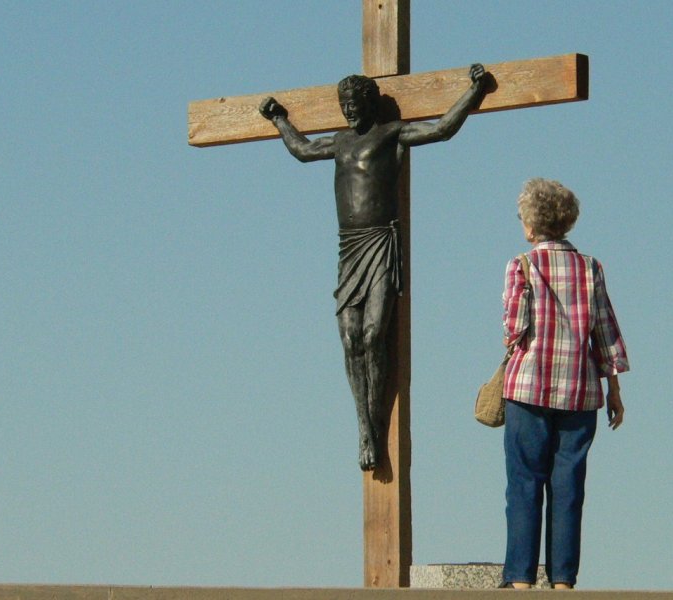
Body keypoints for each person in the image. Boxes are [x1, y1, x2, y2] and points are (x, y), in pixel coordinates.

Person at [259, 65, 487, 471]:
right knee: (349, 338)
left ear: (369, 103)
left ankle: (377, 427)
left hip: (380, 242)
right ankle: (365, 427)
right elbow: (303, 150)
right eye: (344, 105)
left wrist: (474, 91)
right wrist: (279, 119)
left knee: (373, 332)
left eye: (355, 104)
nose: (349, 112)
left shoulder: (391, 133)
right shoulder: (341, 141)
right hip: (350, 248)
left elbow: (440, 129)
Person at [500, 178, 629, 590]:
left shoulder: (520, 265)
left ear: (532, 224)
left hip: (528, 388)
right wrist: (615, 389)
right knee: (568, 487)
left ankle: (520, 579)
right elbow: (605, 330)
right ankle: (563, 582)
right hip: (580, 391)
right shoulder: (591, 267)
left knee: (523, 482)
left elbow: (514, 328)